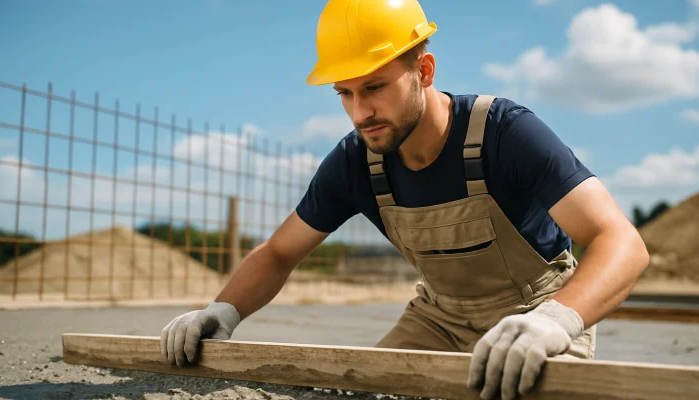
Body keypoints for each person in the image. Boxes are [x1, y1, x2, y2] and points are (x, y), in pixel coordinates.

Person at [159, 1, 650, 399]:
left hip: (535, 314)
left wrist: (556, 322)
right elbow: (279, 252)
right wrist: (220, 312)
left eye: (374, 87)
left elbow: (621, 242)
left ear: (425, 69)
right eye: (345, 94)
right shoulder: (356, 161)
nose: (360, 112)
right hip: (438, 319)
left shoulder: (505, 132)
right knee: (367, 392)